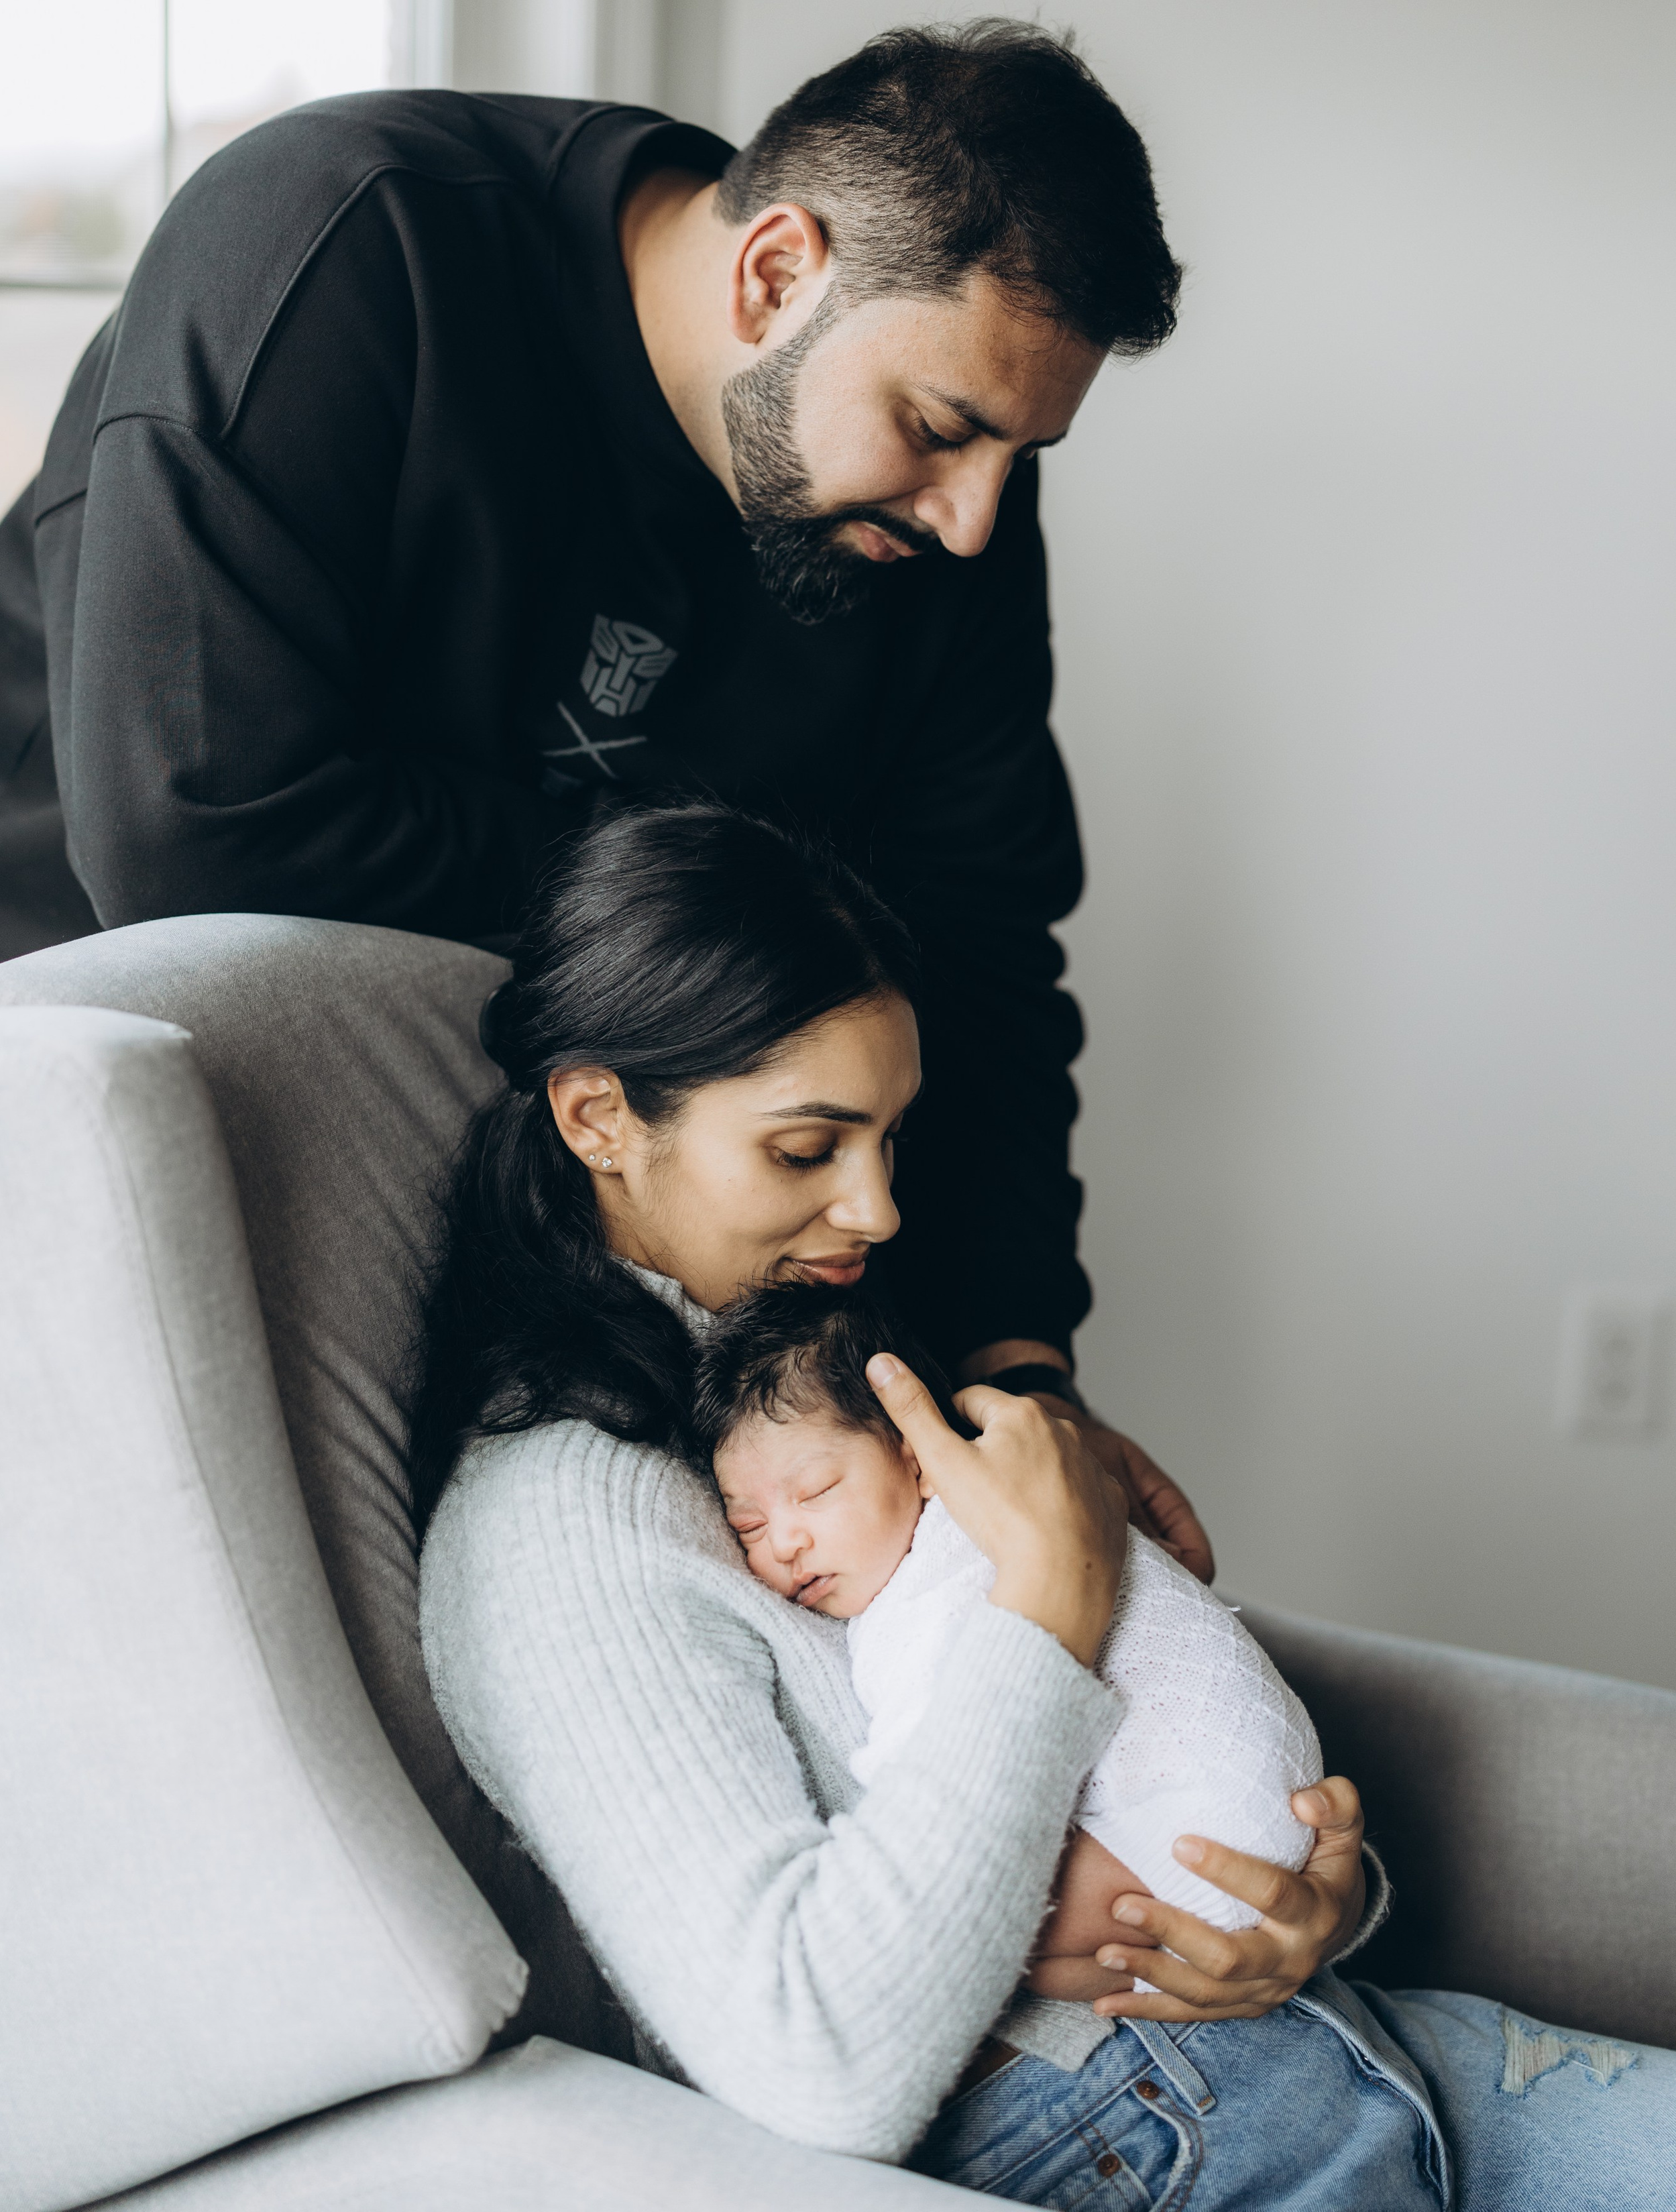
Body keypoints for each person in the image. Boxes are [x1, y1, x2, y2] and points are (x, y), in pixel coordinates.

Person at [0, 17, 1200, 1567]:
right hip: (69, 1104)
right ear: (773, 272)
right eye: (942, 429)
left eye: (1019, 455)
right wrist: (710, 910)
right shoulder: (349, 245)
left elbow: (973, 934)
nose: (970, 524)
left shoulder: (934, 517)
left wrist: (1016, 1355)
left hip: (562, 1201)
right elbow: (198, 820)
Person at [416, 800, 1676, 2207]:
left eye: (889, 1141)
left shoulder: (839, 1388)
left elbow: (1147, 1726)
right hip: (1154, 2134)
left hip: (1343, 2044)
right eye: (805, 1149)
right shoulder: (559, 1529)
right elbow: (816, 2061)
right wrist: (1050, 1605)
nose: (877, 1208)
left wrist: (1303, 1904)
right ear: (598, 1117)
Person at [693, 1284, 1323, 1974]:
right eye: (747, 1525)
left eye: (814, 1493)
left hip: (1206, 1828)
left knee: (978, 1942)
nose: (783, 1541)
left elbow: (930, 1805)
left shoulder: (937, 1583)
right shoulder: (987, 1521)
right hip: (1271, 1804)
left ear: (919, 1458)